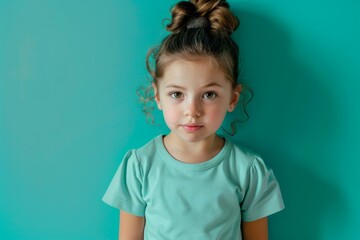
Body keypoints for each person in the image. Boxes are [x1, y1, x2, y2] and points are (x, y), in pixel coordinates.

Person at [102, 0, 284, 239]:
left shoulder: (248, 171)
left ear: (232, 98)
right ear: (158, 96)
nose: (192, 110)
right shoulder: (139, 167)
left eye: (209, 95)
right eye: (176, 94)